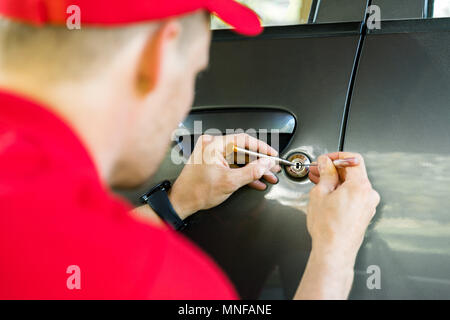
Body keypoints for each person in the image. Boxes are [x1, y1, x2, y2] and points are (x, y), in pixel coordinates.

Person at [0, 0, 380, 299]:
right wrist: (334, 255)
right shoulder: (167, 282)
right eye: (195, 74)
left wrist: (177, 203)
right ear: (158, 57)